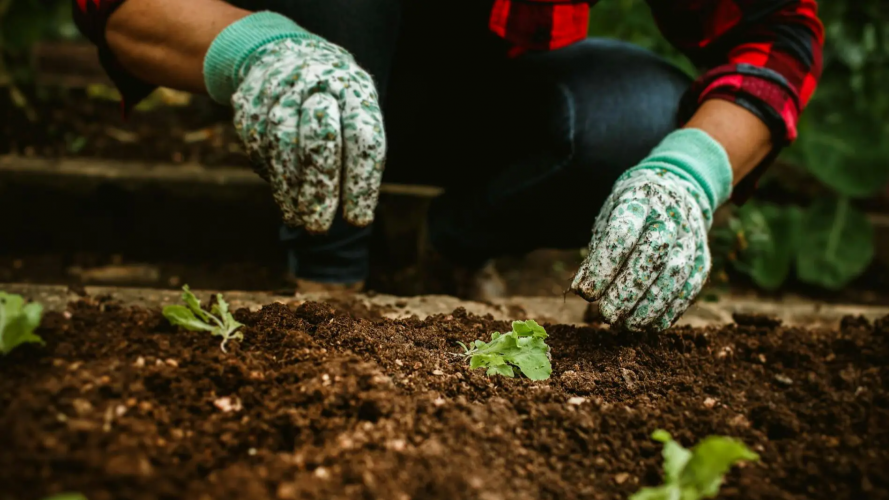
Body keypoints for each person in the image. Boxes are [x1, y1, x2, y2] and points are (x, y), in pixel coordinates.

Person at [73, 0, 823, 331]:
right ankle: (326, 277)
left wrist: (692, 171)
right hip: (304, 68)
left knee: (638, 115)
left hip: (476, 99)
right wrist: (258, 52)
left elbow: (774, 27)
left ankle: (454, 243)